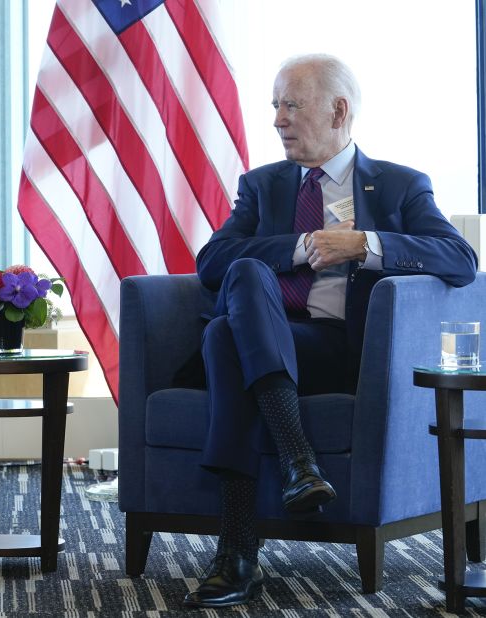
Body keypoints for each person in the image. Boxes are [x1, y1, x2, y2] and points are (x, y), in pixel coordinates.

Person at [182, 54, 477, 609]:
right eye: (274, 106)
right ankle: (297, 465)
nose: (276, 120)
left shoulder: (398, 185)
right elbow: (212, 261)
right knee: (236, 303)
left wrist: (366, 245)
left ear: (339, 110)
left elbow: (459, 258)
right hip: (269, 336)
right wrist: (301, 247)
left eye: (290, 104)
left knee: (225, 339)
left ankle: (239, 550)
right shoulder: (262, 186)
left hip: (340, 349)